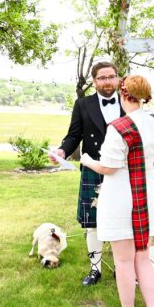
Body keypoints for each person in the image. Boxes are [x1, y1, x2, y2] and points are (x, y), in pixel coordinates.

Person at [80, 75, 154, 307]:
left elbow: (108, 167)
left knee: (124, 262)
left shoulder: (118, 127)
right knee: (144, 259)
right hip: (146, 199)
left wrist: (86, 160)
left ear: (124, 94)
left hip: (120, 199)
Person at [51, 61, 125, 287]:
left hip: (122, 170)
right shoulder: (83, 104)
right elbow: (74, 135)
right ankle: (96, 270)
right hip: (93, 167)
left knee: (121, 221)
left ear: (118, 78)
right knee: (92, 223)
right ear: (94, 81)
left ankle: (122, 268)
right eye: (102, 77)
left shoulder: (128, 102)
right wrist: (63, 150)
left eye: (111, 76)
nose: (107, 81)